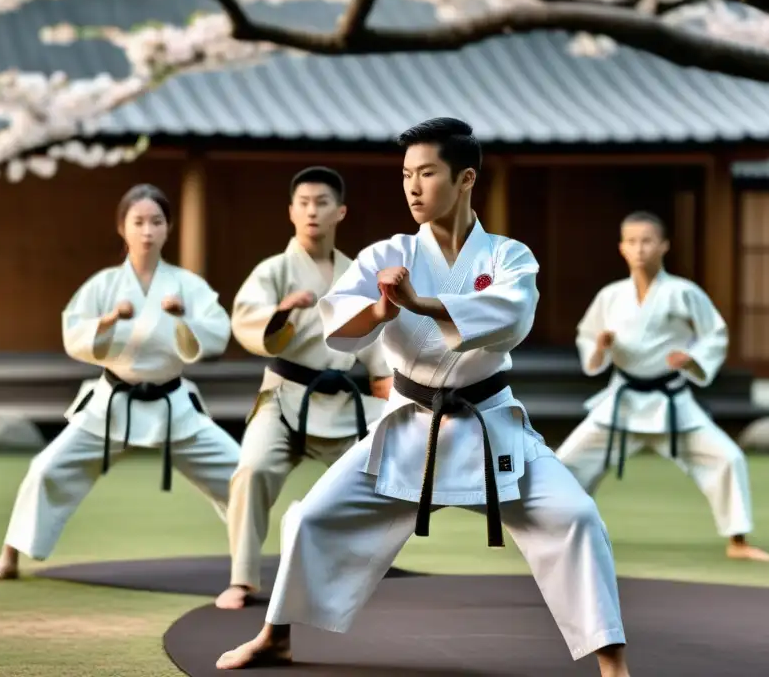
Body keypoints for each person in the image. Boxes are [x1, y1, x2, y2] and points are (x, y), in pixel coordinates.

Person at [216, 117, 630, 676]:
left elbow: (511, 319)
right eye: (406, 174)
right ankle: (274, 636)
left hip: (489, 425)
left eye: (426, 173)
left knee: (577, 516)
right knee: (311, 517)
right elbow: (339, 323)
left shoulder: (509, 257)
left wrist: (422, 303)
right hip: (409, 425)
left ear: (464, 179)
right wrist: (384, 309)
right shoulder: (386, 254)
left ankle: (612, 665)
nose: (412, 187)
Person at [0, 183, 240, 584]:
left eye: (156, 221)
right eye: (138, 222)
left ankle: (245, 567)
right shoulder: (103, 285)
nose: (147, 231)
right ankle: (9, 557)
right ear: (123, 228)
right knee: (46, 469)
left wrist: (184, 315)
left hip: (173, 404)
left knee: (240, 473)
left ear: (169, 228)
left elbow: (218, 332)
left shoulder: (188, 285)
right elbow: (74, 332)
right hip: (113, 402)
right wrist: (108, 320)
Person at [216, 167, 393, 610]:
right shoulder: (274, 270)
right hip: (283, 398)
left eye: (322, 203)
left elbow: (379, 350)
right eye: (304, 203)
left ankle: (359, 567)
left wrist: (389, 395)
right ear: (291, 212)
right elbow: (248, 320)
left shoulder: (358, 274)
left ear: (341, 212)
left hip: (343, 403)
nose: (312, 211)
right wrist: (281, 311)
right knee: (251, 471)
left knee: (387, 470)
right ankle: (241, 579)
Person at [556, 210, 769, 563]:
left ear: (664, 246)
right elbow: (587, 339)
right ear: (621, 249)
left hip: (671, 402)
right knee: (564, 464)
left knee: (728, 457)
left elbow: (714, 335)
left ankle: (738, 541)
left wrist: (691, 360)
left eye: (647, 241)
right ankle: (555, 533)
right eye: (631, 242)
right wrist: (601, 347)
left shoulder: (683, 293)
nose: (639, 249)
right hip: (621, 402)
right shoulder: (611, 296)